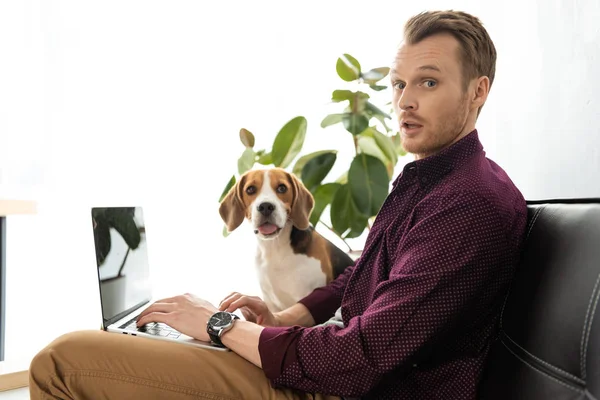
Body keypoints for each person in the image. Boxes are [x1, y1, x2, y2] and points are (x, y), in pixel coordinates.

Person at [29, 9, 527, 400]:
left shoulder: (468, 204)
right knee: (128, 347)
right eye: (399, 84)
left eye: (429, 82)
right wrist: (280, 319)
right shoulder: (430, 181)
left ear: (478, 91)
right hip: (329, 370)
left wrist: (219, 325)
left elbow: (360, 358)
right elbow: (359, 279)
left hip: (347, 389)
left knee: (60, 359)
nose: (404, 102)